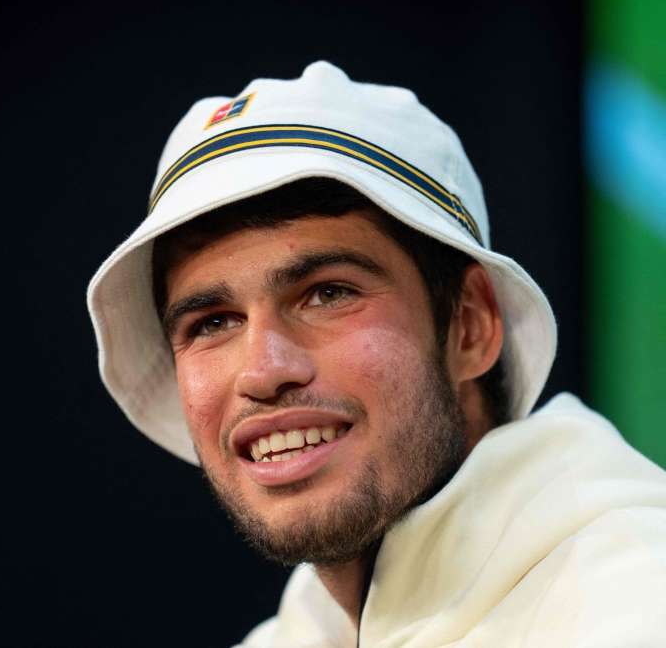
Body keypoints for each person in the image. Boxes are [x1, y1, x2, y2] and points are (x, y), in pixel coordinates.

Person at [87, 62, 666, 646]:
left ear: (469, 325)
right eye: (212, 322)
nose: (262, 370)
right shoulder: (297, 635)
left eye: (327, 294)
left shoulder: (633, 599)